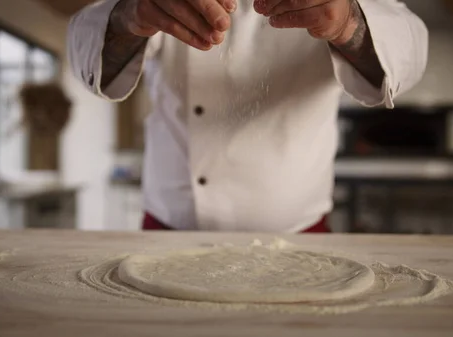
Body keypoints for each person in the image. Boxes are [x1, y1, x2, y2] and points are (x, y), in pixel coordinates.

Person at [67, 0, 428, 233]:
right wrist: (128, 14)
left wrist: (350, 21)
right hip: (169, 232)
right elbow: (86, 36)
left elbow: (408, 46)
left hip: (300, 239)